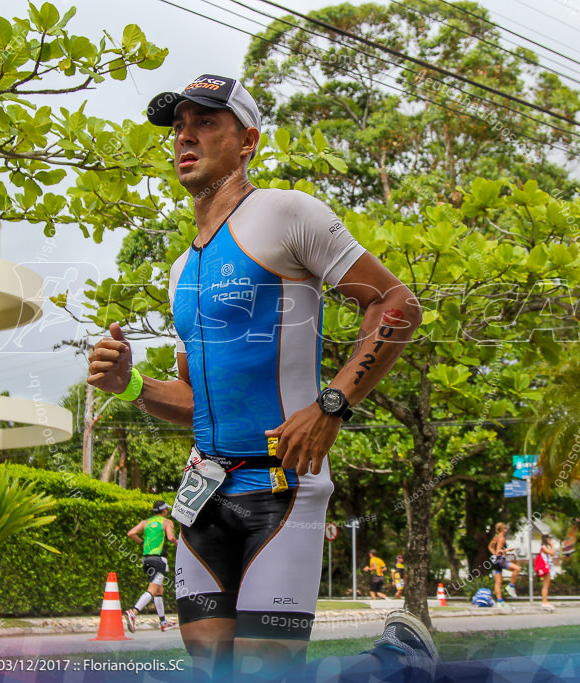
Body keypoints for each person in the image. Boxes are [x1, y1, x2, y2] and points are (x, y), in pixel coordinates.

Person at [88, 73, 420, 681]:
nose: (186, 137)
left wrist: (332, 404)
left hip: (283, 489)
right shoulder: (180, 271)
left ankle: (396, 668)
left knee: (264, 668)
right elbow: (194, 403)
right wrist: (130, 385)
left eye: (206, 123)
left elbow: (396, 305)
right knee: (214, 668)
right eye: (179, 127)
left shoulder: (287, 214)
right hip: (205, 494)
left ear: (248, 142)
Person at [125, 500, 178, 633]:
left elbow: (131, 533)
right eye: (167, 510)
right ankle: (133, 612)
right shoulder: (167, 522)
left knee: (159, 591)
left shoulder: (145, 522)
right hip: (159, 560)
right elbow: (171, 538)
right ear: (164, 511)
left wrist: (142, 542)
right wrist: (179, 544)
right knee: (153, 590)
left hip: (147, 559)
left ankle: (163, 622)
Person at [487, 522, 520, 604]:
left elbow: (490, 547)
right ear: (502, 529)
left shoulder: (496, 538)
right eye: (505, 528)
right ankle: (511, 586)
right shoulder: (502, 539)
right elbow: (499, 551)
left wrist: (494, 554)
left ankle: (500, 601)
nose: (506, 529)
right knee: (517, 569)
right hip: (501, 560)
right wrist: (508, 550)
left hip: (496, 560)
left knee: (498, 582)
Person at [537, 534, 557, 612]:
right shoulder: (544, 547)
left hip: (548, 566)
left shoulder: (545, 547)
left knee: (546, 585)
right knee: (545, 585)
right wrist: (552, 546)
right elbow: (552, 553)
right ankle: (544, 601)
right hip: (545, 567)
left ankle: (545, 600)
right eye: (549, 540)